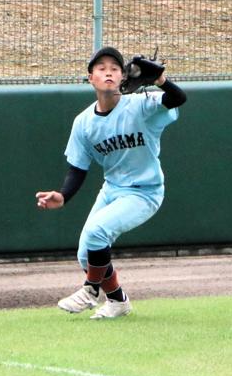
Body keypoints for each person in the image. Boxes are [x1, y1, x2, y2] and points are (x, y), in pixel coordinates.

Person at [35, 46, 187, 319]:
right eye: (101, 68)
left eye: (115, 69)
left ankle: (91, 290)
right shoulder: (83, 122)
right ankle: (118, 301)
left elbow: (178, 98)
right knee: (86, 254)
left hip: (145, 192)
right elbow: (78, 168)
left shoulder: (141, 105)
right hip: (113, 189)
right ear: (90, 78)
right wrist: (63, 195)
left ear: (122, 78)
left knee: (96, 233)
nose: (108, 72)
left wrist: (160, 80)